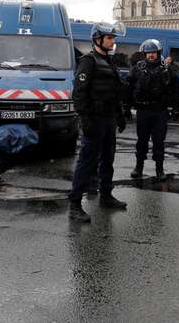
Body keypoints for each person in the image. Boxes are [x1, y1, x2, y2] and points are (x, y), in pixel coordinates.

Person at [68, 21, 128, 223]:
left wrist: (119, 115)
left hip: (108, 118)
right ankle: (75, 204)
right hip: (94, 119)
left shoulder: (110, 62)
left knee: (108, 160)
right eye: (109, 38)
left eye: (113, 38)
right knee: (87, 162)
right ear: (97, 39)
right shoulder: (88, 61)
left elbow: (115, 92)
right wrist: (85, 119)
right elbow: (79, 94)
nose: (112, 41)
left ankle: (106, 195)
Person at [128, 39, 179, 181]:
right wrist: (126, 108)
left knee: (159, 142)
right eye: (148, 52)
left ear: (158, 53)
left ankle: (159, 169)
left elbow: (175, 89)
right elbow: (129, 87)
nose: (151, 55)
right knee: (141, 141)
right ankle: (139, 167)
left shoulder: (167, 69)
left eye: (153, 52)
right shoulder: (137, 68)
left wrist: (176, 108)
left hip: (160, 110)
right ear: (144, 53)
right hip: (143, 110)